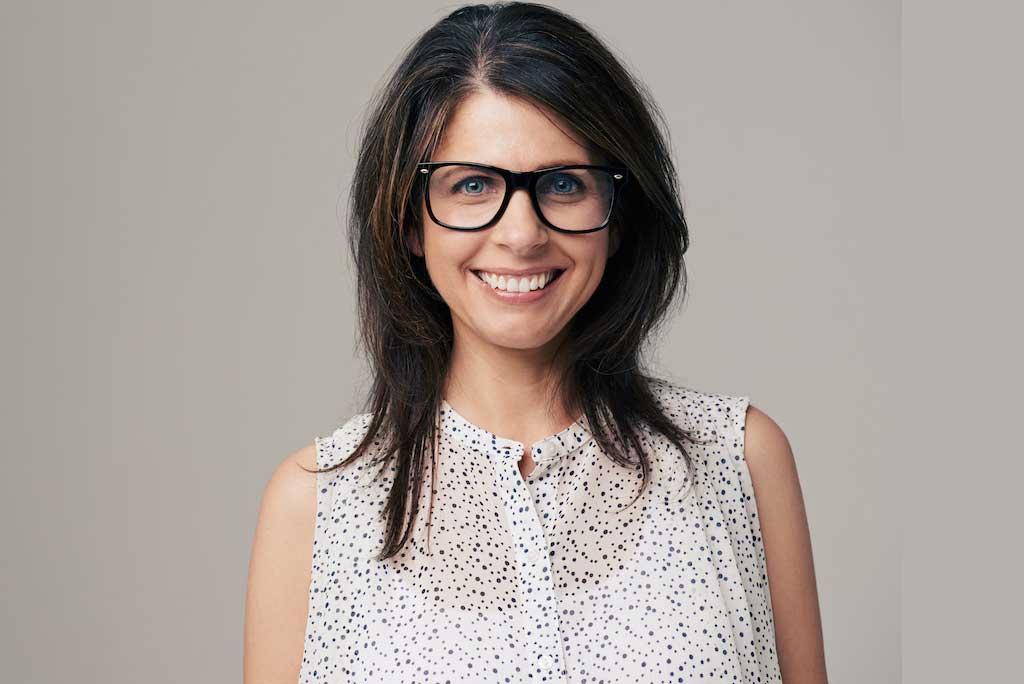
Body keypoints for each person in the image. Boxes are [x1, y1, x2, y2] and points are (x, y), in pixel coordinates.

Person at [244, 3, 828, 683]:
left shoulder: (739, 461)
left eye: (562, 183)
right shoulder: (314, 506)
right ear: (409, 221)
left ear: (617, 216)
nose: (521, 234)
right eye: (471, 184)